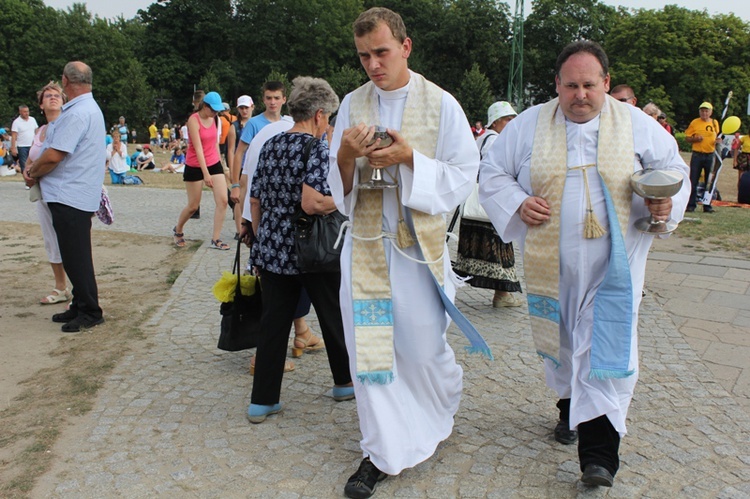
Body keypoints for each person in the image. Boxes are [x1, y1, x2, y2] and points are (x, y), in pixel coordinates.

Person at [479, 40, 690, 488]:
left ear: (606, 83)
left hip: (615, 265)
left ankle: (598, 456)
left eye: (589, 85)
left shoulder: (635, 124)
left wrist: (663, 206)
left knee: (604, 349)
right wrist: (517, 202)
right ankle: (568, 407)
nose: (580, 95)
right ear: (556, 84)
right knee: (562, 342)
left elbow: (672, 170)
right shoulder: (528, 125)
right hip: (551, 262)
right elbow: (492, 172)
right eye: (570, 85)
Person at [327, 8, 483, 498]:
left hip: (416, 250)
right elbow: (339, 189)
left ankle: (439, 402)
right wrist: (346, 156)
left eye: (381, 52)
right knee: (368, 347)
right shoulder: (351, 105)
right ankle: (381, 451)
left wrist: (410, 158)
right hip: (367, 247)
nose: (373, 64)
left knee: (420, 346)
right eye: (364, 56)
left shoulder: (441, 104)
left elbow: (463, 173)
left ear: (405, 47)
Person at [246, 76, 352, 423]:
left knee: (273, 324)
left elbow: (256, 199)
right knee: (332, 314)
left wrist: (262, 241)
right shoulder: (316, 148)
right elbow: (312, 202)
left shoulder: (271, 144)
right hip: (310, 248)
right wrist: (344, 201)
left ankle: (262, 401)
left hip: (273, 247)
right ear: (319, 115)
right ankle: (344, 381)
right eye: (330, 117)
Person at [24, 61, 107, 333]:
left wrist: (34, 172)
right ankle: (81, 303)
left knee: (76, 256)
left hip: (69, 194)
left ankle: (90, 311)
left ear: (66, 81)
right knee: (73, 254)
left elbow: (54, 155)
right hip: (74, 193)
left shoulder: (77, 113)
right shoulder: (86, 108)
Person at [454, 101, 522, 307]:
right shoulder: (495, 141)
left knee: (489, 246)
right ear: (497, 121)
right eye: (508, 119)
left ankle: (502, 294)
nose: (512, 123)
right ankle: (502, 294)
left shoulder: (481, 138)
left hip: (475, 202)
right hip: (491, 202)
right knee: (500, 245)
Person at [27, 81, 71, 305]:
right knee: (51, 240)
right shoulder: (40, 131)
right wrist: (28, 173)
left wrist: (35, 171)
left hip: (64, 192)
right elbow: (30, 160)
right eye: (47, 96)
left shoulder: (67, 125)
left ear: (64, 102)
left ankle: (81, 290)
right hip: (43, 192)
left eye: (57, 95)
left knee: (71, 240)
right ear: (41, 105)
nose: (53, 98)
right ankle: (61, 287)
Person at [172, 91, 230, 250]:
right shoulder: (193, 120)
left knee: (223, 200)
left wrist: (222, 167)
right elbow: (197, 148)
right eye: (213, 110)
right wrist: (205, 174)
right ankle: (178, 230)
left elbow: (215, 144)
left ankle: (216, 238)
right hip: (195, 165)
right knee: (193, 206)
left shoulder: (216, 119)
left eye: (217, 110)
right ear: (205, 106)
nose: (215, 113)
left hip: (213, 162)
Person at [230, 81, 287, 209]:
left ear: (284, 100)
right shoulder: (253, 123)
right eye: (269, 98)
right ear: (263, 100)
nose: (272, 102)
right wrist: (235, 185)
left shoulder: (288, 124)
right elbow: (239, 153)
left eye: (276, 98)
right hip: (255, 180)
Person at [685, 102, 721, 213]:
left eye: (706, 111)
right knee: (693, 180)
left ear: (710, 112)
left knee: (709, 182)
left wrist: (718, 141)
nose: (704, 113)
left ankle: (707, 205)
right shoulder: (695, 122)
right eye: (702, 111)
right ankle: (691, 205)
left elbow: (718, 136)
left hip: (710, 155)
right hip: (697, 154)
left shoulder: (714, 123)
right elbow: (687, 138)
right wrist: (695, 139)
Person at [11, 104, 39, 174]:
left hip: (33, 145)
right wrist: (13, 148)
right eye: (24, 112)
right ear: (20, 112)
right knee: (24, 164)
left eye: (27, 111)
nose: (26, 113)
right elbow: (14, 136)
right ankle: (26, 180)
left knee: (34, 163)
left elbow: (37, 131)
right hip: (22, 146)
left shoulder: (32, 119)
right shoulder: (16, 122)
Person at [733, 127, 750, 198]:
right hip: (743, 157)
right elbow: (736, 148)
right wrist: (735, 160)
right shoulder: (744, 138)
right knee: (741, 178)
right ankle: (740, 196)